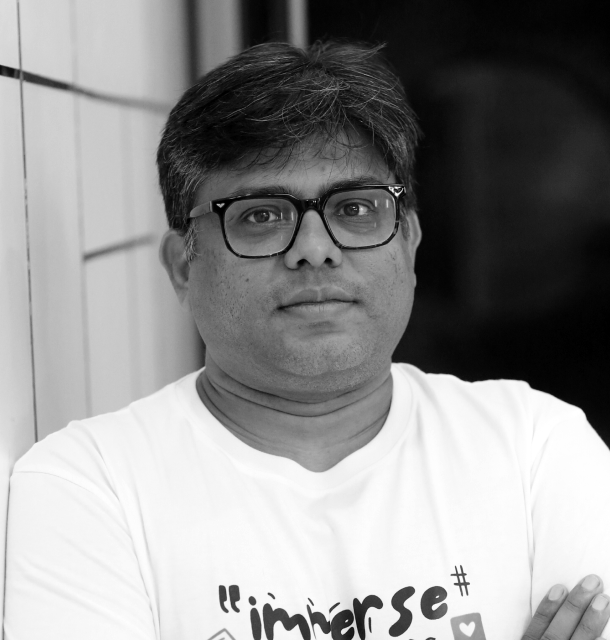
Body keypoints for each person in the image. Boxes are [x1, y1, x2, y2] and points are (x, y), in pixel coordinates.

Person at [4, 41, 610, 640]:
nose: (315, 249)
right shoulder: (90, 487)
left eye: (355, 209)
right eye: (261, 216)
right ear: (184, 267)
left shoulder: (535, 450)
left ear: (409, 244)